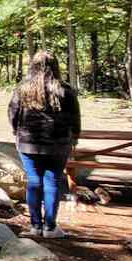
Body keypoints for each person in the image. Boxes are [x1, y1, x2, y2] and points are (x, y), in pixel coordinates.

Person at [8, 51, 81, 238]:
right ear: (56, 66)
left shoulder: (22, 89)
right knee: (53, 182)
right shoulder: (66, 90)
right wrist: (74, 138)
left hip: (28, 144)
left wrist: (17, 131)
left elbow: (12, 114)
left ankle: (35, 226)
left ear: (32, 66)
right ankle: (50, 227)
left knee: (34, 182)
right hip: (58, 144)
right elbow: (75, 119)